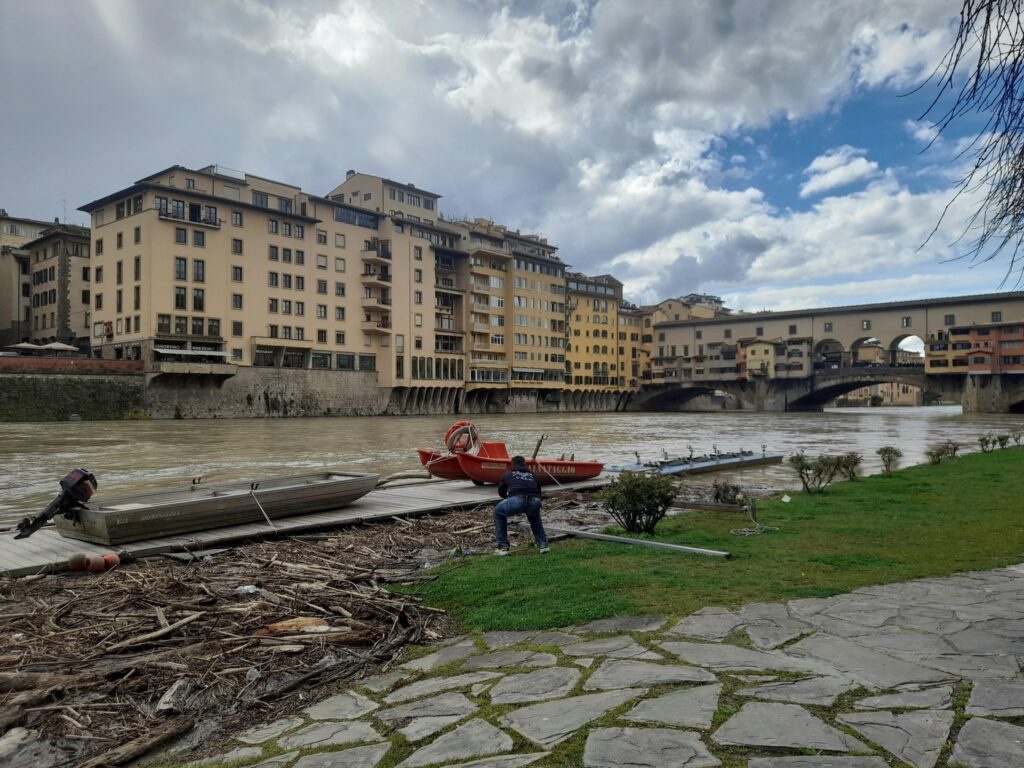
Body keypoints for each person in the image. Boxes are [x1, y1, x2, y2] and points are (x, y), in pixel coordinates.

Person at [493, 455, 550, 556]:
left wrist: (509, 497)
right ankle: (543, 545)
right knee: (535, 518)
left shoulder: (507, 474)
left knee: (498, 512)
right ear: (525, 464)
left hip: (516, 500)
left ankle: (503, 547)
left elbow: (501, 492)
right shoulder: (533, 475)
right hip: (535, 501)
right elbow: (539, 493)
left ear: (512, 464)